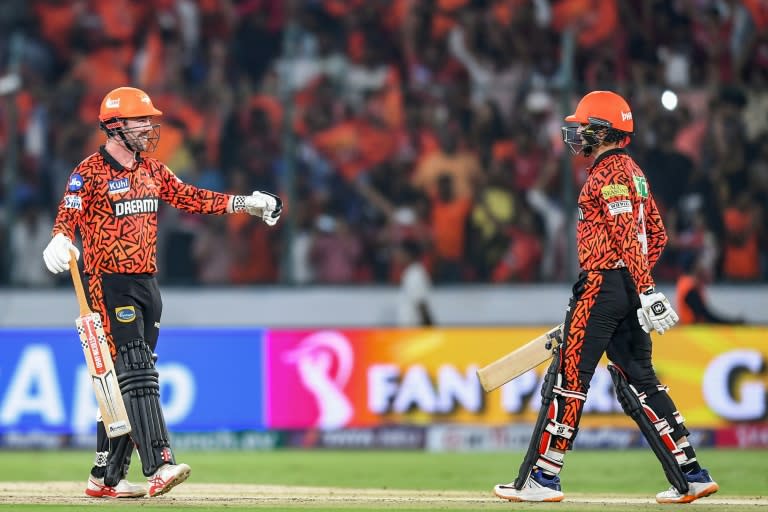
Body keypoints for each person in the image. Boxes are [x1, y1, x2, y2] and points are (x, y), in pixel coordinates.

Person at [42, 87, 282, 498]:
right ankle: (159, 465)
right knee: (136, 371)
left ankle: (105, 477)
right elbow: (69, 213)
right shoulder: (90, 171)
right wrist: (59, 240)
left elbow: (191, 197)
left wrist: (246, 202)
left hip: (146, 284)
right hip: (107, 281)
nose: (150, 127)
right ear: (116, 126)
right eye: (141, 121)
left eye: (150, 120)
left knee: (123, 382)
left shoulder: (152, 170)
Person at [493, 91, 719, 504]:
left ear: (602, 130)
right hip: (626, 288)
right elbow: (657, 234)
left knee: (569, 379)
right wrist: (638, 284)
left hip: (600, 286)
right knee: (643, 382)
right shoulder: (634, 171)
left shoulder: (606, 175)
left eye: (583, 128)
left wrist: (643, 287)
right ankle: (691, 473)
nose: (577, 135)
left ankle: (544, 478)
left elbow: (624, 234)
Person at [676, 254, 744, 325]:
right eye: (699, 262)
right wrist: (731, 323)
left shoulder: (687, 283)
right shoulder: (690, 288)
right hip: (694, 329)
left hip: (692, 327)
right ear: (694, 265)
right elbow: (705, 315)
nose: (702, 265)